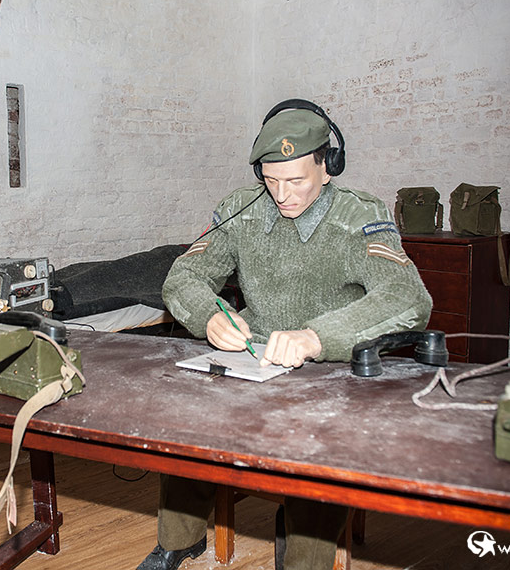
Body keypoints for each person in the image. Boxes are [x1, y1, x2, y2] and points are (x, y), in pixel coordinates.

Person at [137, 99, 433, 570]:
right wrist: (209, 315)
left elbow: (408, 299)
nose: (281, 194)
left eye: (295, 181)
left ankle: (302, 560)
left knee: (319, 457)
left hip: (328, 365)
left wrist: (317, 337)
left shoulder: (358, 217)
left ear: (327, 167)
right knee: (190, 421)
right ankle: (179, 540)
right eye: (271, 180)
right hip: (252, 354)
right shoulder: (242, 210)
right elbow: (184, 277)